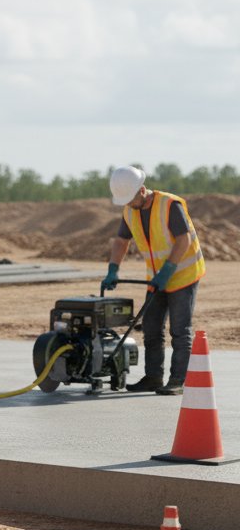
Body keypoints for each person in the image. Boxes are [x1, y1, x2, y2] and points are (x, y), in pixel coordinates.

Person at [101, 165, 206, 396]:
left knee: (180, 330)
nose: (129, 204)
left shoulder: (169, 205)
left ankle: (178, 380)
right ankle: (153, 377)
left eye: (131, 199)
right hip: (156, 277)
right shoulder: (130, 211)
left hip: (183, 274)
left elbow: (184, 239)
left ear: (142, 190)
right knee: (151, 328)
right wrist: (113, 269)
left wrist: (168, 271)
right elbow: (121, 241)